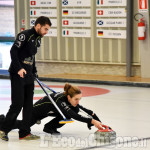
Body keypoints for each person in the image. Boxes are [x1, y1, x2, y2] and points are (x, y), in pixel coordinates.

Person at [0, 16, 52, 141]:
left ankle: (24, 132)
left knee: (28, 105)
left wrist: (34, 71)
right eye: (45, 29)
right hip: (18, 74)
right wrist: (18, 68)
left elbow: (31, 57)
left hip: (28, 75)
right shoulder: (25, 35)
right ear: (38, 25)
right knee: (18, 103)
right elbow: (13, 51)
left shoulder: (38, 38)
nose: (46, 32)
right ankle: (3, 130)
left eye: (48, 30)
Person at [0, 83, 103, 135]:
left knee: (71, 112)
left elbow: (87, 111)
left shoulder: (69, 100)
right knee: (23, 125)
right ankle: (2, 121)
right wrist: (92, 121)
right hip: (36, 111)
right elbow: (74, 115)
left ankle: (49, 127)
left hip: (49, 112)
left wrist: (99, 123)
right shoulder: (60, 100)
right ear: (68, 97)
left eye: (79, 99)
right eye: (76, 99)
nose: (78, 102)